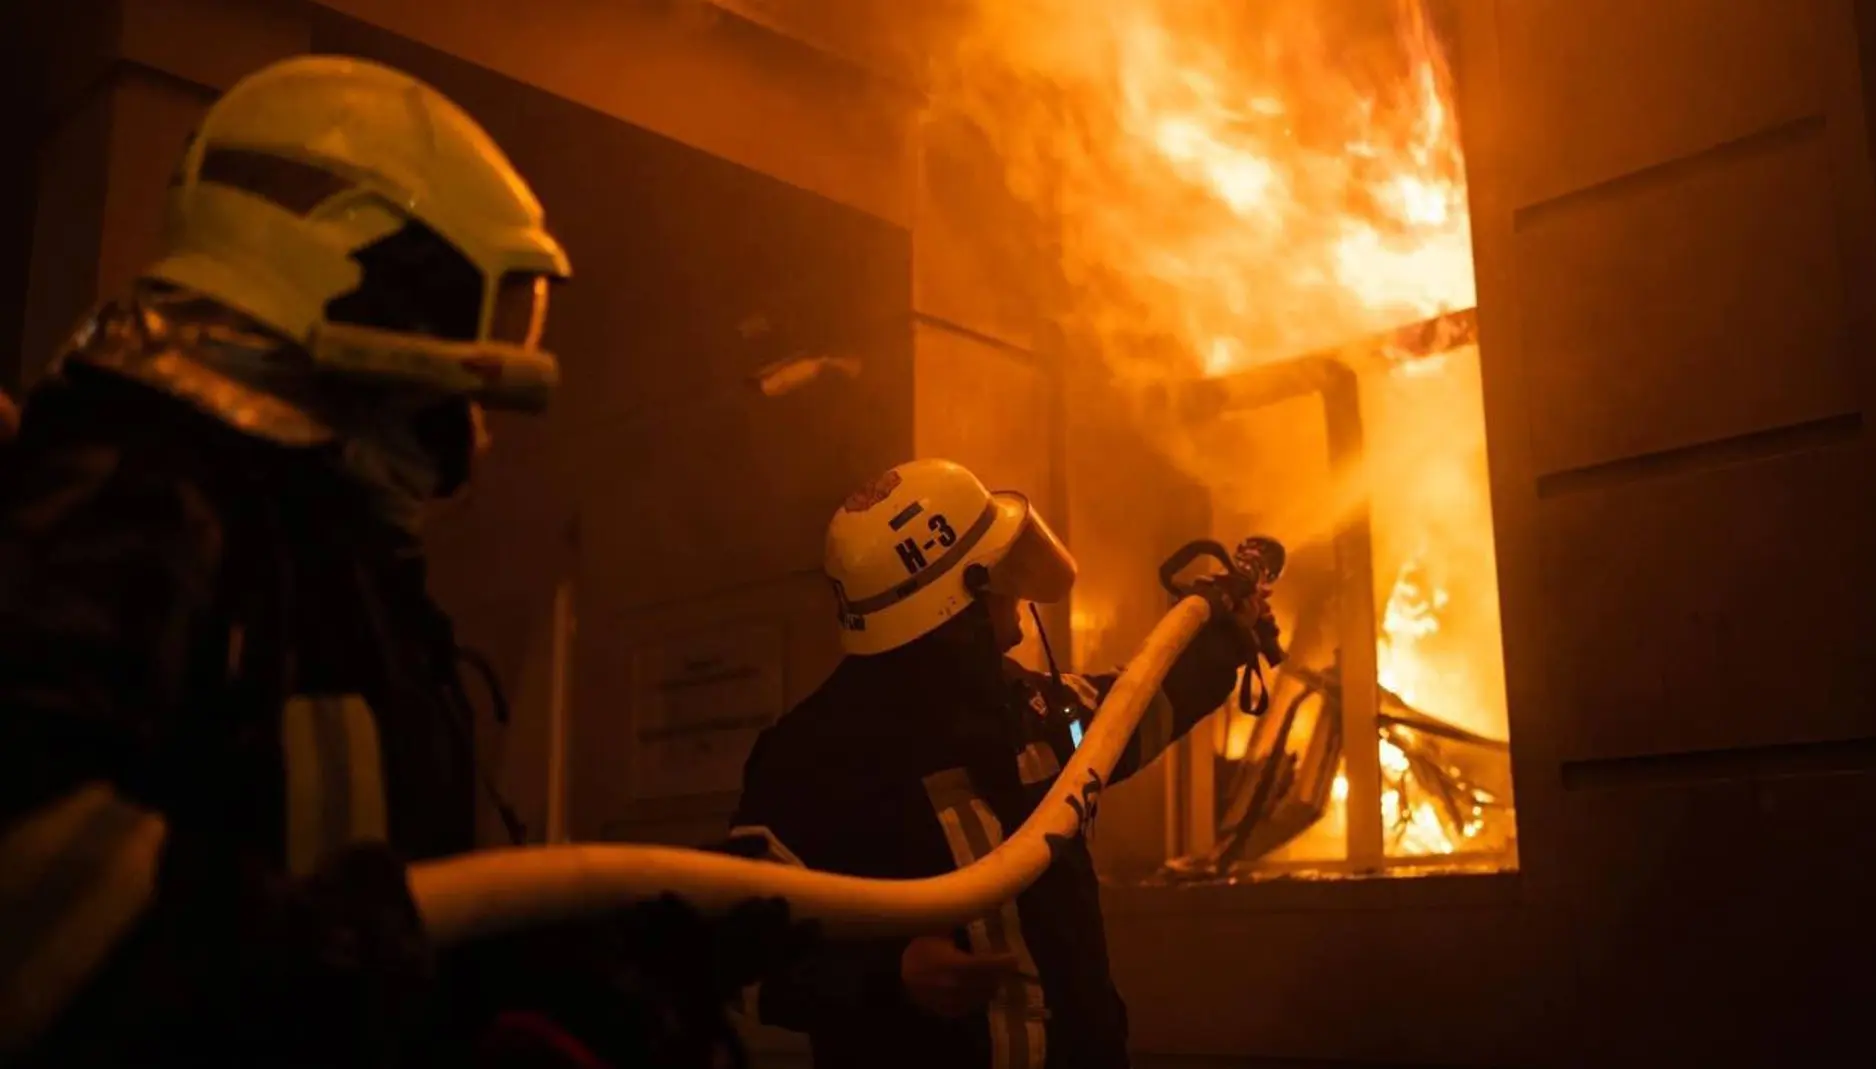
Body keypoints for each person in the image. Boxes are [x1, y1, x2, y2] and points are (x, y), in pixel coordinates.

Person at [0, 55, 770, 1069]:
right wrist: (349, 955)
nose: (471, 436)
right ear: (353, 278)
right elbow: (42, 919)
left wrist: (630, 946)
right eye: (465, 340)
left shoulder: (319, 565)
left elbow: (416, 896)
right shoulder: (133, 503)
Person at [728, 458, 1274, 1069]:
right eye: (1000, 576)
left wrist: (1228, 637)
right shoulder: (808, 762)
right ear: (957, 602)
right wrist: (889, 974)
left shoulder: (1027, 708)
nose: (1016, 592)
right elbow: (737, 951)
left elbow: (1132, 711)